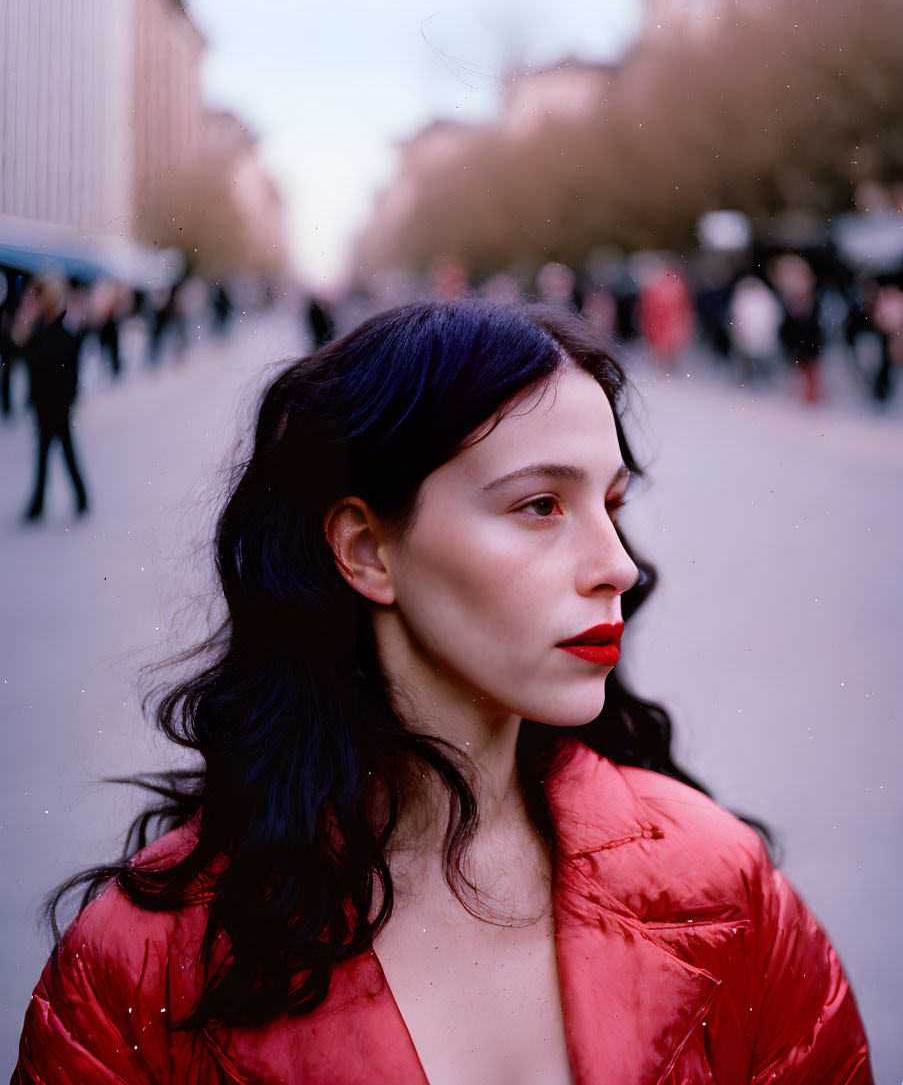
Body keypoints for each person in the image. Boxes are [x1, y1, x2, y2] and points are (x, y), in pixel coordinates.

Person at [13, 301, 871, 1083]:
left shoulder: (725, 889)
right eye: (540, 504)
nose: (618, 564)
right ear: (365, 550)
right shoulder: (139, 966)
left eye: (611, 503)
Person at [13, 273, 89, 521]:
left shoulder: (66, 325)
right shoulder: (37, 326)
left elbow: (69, 365)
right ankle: (75, 500)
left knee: (55, 453)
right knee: (57, 453)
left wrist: (69, 398)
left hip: (58, 403)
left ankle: (46, 504)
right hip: (43, 401)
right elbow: (17, 347)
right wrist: (26, 318)